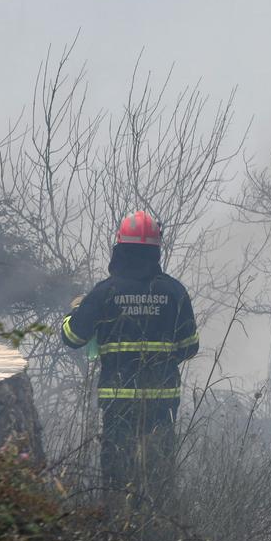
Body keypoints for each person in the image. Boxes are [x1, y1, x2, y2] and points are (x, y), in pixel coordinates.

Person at [60, 211, 198, 501]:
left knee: (117, 479)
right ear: (156, 250)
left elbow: (72, 337)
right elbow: (189, 347)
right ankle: (158, 525)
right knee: (158, 479)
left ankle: (118, 525)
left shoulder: (105, 292)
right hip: (161, 404)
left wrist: (76, 311)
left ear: (120, 248)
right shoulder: (174, 292)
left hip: (118, 404)